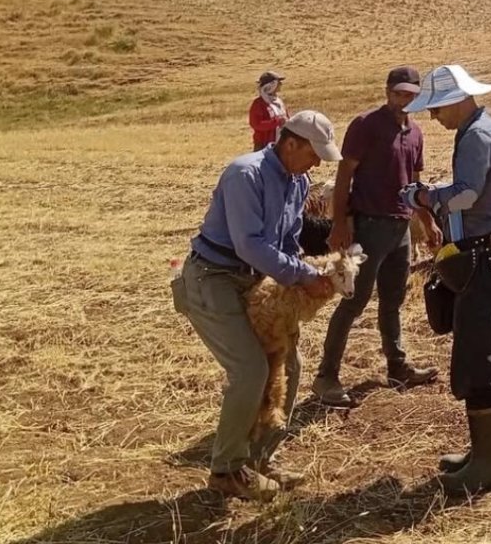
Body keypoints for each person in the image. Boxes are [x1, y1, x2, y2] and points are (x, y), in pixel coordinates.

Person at [171, 111, 343, 501]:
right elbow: (249, 244)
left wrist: (299, 281)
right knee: (250, 370)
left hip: (255, 282)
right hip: (213, 279)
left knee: (288, 365)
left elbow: (288, 241)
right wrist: (302, 275)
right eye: (314, 153)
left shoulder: (298, 181)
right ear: (291, 142)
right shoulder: (244, 175)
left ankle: (260, 459)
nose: (317, 162)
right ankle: (226, 471)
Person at [399, 64, 491, 496]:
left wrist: (423, 197)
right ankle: (483, 453)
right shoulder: (479, 131)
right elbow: (471, 189)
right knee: (477, 352)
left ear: (456, 100)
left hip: (485, 258)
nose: (433, 117)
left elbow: (466, 195)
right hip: (487, 254)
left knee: (481, 357)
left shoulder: (475, 136)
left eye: (436, 108)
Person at [313, 67, 442, 405]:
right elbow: (344, 176)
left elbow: (414, 186)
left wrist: (427, 223)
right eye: (400, 93)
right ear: (387, 91)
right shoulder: (365, 125)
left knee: (393, 300)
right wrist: (339, 223)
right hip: (368, 227)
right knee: (354, 302)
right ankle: (326, 377)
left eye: (412, 95)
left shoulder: (415, 134)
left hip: (400, 229)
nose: (405, 100)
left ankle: (397, 367)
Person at [249, 71, 289, 151]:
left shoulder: (279, 102)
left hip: (280, 143)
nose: (281, 85)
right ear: (271, 85)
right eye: (279, 82)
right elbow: (256, 124)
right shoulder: (258, 104)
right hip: (263, 146)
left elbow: (286, 117)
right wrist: (277, 122)